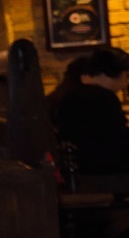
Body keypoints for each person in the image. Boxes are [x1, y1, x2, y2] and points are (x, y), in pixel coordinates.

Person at [50, 46, 129, 175]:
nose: (125, 84)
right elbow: (117, 139)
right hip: (103, 171)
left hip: (80, 169)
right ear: (107, 73)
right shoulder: (103, 97)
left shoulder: (70, 94)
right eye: (125, 76)